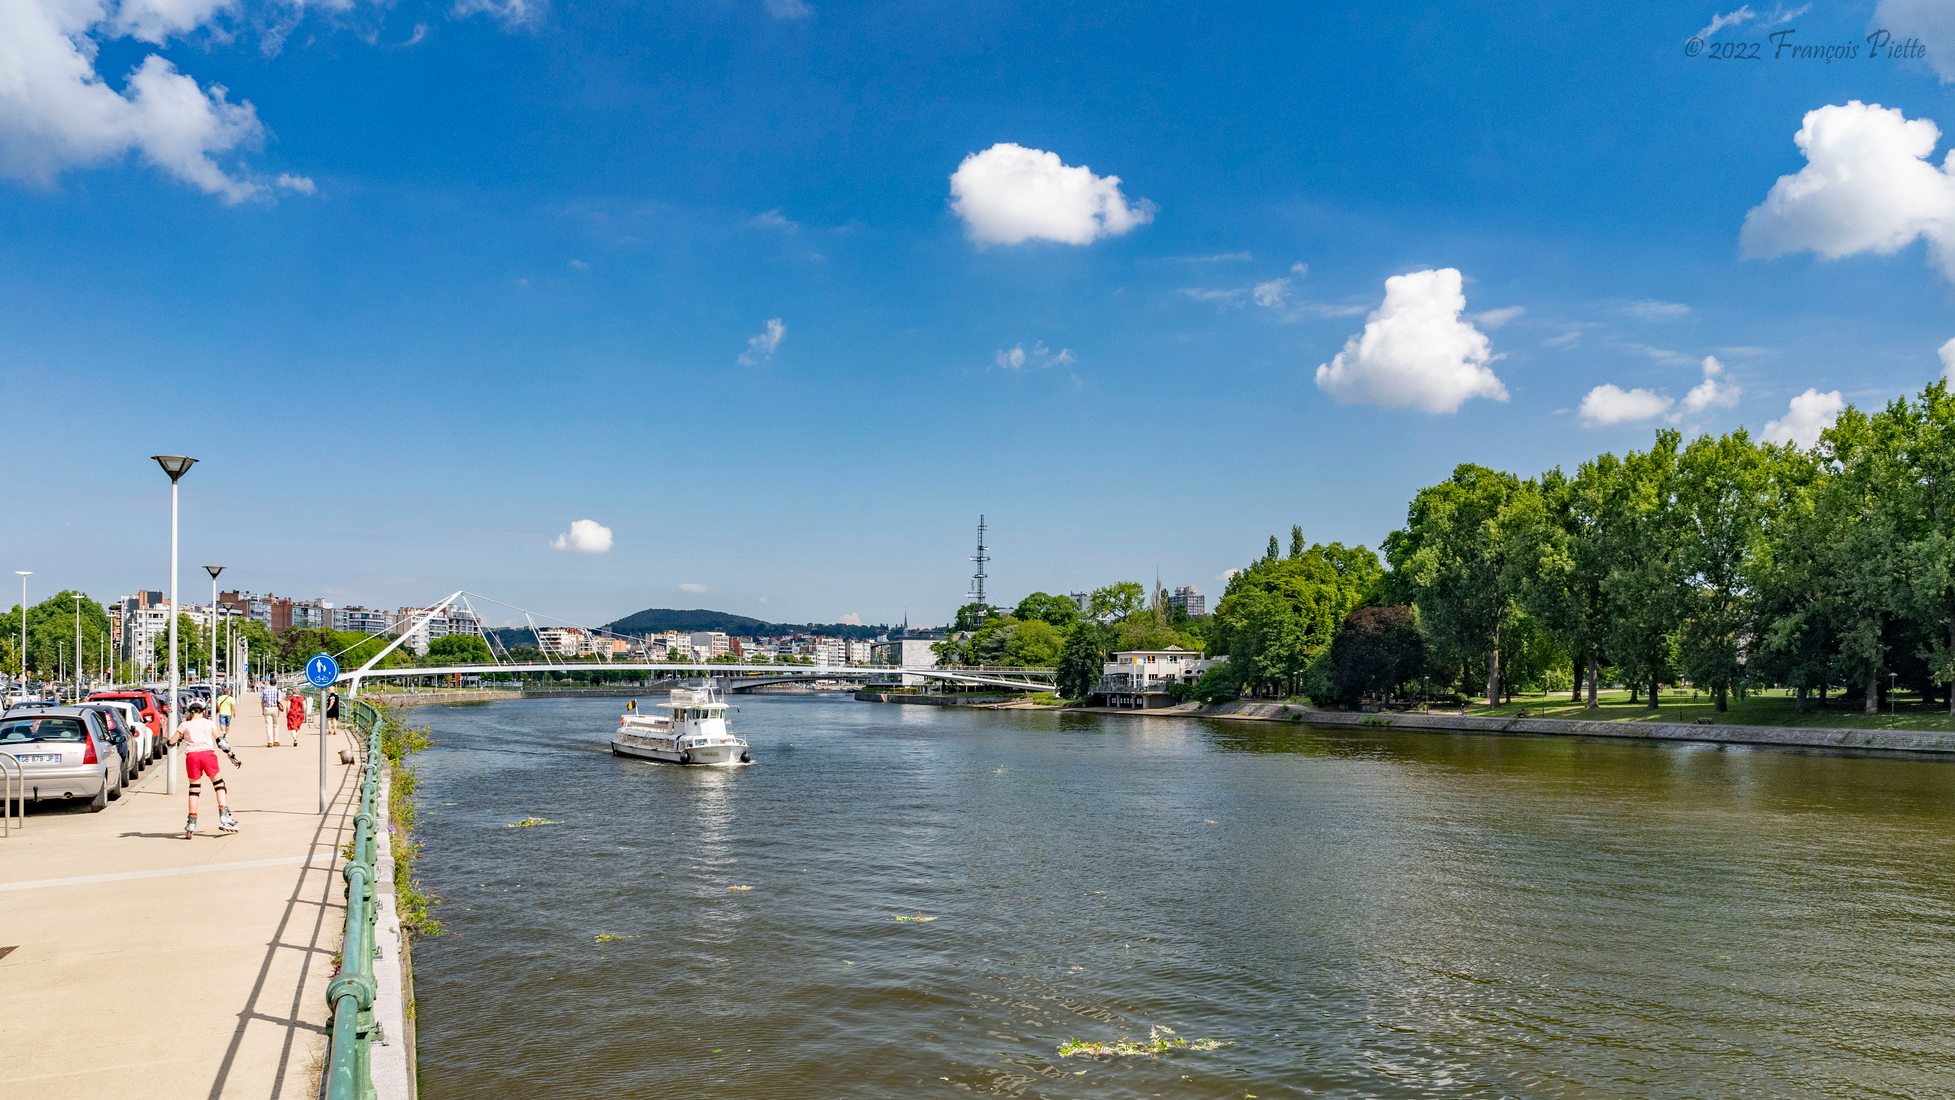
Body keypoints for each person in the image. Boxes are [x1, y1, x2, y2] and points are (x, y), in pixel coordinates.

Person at [168, 702, 237, 838]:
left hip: (192, 757)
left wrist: (180, 739)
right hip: (207, 755)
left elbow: (171, 742)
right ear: (203, 710)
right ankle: (224, 816)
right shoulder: (209, 723)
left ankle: (191, 822)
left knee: (194, 789)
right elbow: (220, 742)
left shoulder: (184, 725)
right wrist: (231, 755)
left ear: (190, 712)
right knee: (218, 785)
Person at [260, 681, 281, 746]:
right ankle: (276, 741)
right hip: (275, 708)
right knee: (276, 725)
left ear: (270, 683)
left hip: (267, 708)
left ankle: (270, 742)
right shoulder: (278, 691)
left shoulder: (265, 690)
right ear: (275, 683)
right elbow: (279, 700)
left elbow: (262, 701)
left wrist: (263, 710)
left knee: (268, 726)